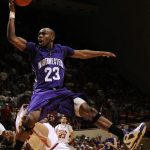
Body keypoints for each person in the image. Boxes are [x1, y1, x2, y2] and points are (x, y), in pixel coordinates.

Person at [7, 0, 146, 150]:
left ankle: (124, 136)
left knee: (88, 109)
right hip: (42, 92)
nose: (40, 36)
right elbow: (12, 38)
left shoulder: (61, 49)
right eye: (39, 34)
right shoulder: (34, 49)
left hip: (60, 92)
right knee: (29, 120)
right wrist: (12, 13)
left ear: (52, 37)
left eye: (43, 33)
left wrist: (101, 53)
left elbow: (83, 54)